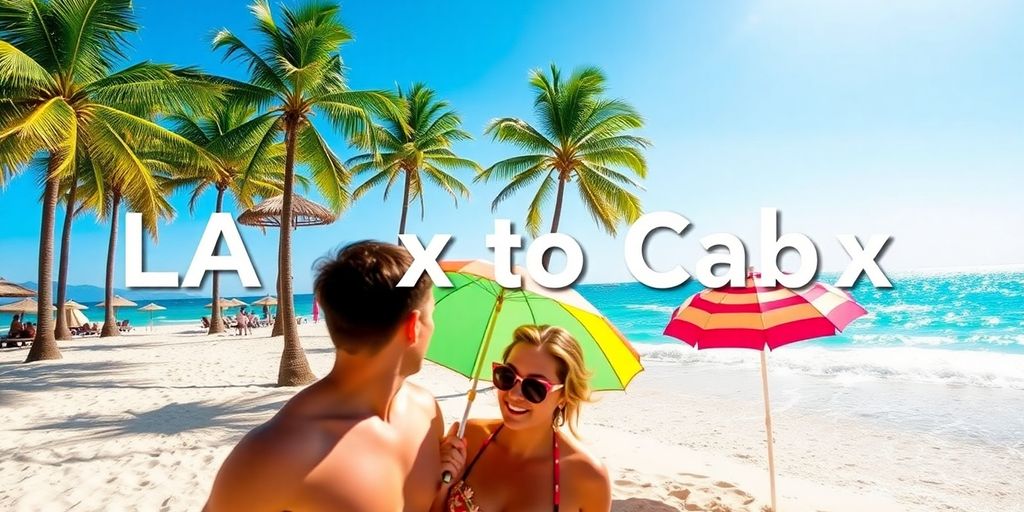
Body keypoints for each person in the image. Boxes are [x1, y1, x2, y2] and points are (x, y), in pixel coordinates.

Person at [204, 241, 443, 512]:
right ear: (413, 326)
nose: (434, 326)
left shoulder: (427, 412)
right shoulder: (277, 454)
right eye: (431, 314)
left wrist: (447, 484)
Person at [434, 325, 612, 512]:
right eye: (507, 375)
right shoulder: (467, 439)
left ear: (564, 396)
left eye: (534, 387)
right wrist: (443, 485)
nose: (514, 394)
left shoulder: (589, 479)